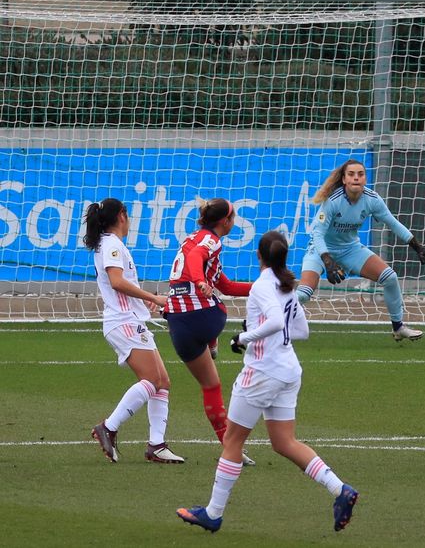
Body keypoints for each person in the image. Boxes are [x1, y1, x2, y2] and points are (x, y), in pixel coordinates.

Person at [177, 231, 359, 533]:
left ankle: (212, 513)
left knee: (233, 441)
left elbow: (275, 321)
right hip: (288, 371)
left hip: (262, 373)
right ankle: (340, 489)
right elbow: (301, 330)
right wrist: (269, 333)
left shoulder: (263, 285)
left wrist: (244, 337)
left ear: (259, 256)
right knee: (284, 442)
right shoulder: (286, 284)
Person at [84, 198, 184, 464]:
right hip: (123, 322)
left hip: (128, 319)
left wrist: (143, 301)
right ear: (122, 216)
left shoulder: (109, 244)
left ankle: (156, 445)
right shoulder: (112, 245)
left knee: (162, 382)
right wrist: (155, 296)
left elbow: (119, 284)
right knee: (152, 381)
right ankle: (108, 427)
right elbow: (117, 282)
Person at [296, 158, 425, 341]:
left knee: (390, 277)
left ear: (365, 179)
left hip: (350, 249)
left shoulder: (372, 199)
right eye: (351, 174)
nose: (356, 178)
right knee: (303, 294)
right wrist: (328, 261)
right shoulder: (333, 201)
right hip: (320, 250)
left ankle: (398, 327)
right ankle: (266, 319)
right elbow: (317, 235)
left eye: (360, 174)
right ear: (344, 180)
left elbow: (392, 223)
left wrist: (417, 247)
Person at [164, 198, 255, 465]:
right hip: (201, 317)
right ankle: (213, 341)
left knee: (211, 385)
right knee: (220, 310)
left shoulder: (192, 238)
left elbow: (225, 285)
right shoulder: (211, 240)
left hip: (177, 323)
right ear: (225, 221)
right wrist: (200, 281)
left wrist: (262, 286)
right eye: (233, 218)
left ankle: (230, 448)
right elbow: (195, 259)